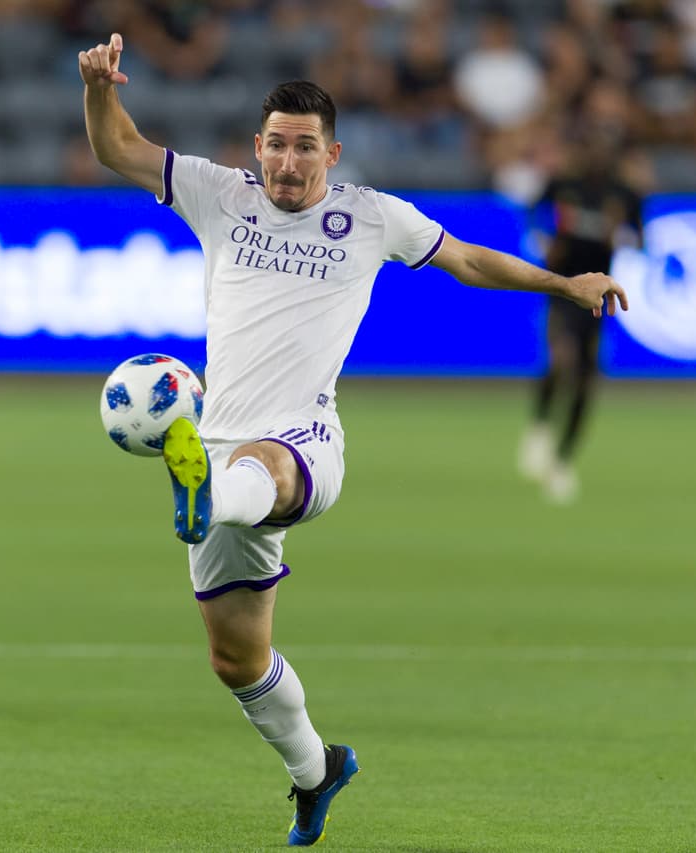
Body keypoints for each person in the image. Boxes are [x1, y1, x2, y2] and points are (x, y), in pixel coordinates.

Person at [78, 34, 628, 846]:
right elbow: (117, 144)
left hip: (305, 440)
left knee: (260, 474)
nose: (288, 162)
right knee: (237, 659)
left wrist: (565, 281)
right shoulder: (218, 194)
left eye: (305, 147)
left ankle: (205, 490)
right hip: (221, 436)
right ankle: (316, 769)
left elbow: (469, 260)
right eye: (276, 144)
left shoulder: (369, 217)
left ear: (330, 153)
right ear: (257, 148)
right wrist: (97, 86)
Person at [516, 125, 644, 504]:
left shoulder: (623, 195)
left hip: (599, 298)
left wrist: (617, 233)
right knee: (561, 360)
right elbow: (532, 213)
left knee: (587, 381)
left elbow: (639, 239)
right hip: (563, 286)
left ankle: (562, 458)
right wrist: (543, 241)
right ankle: (540, 427)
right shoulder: (564, 185)